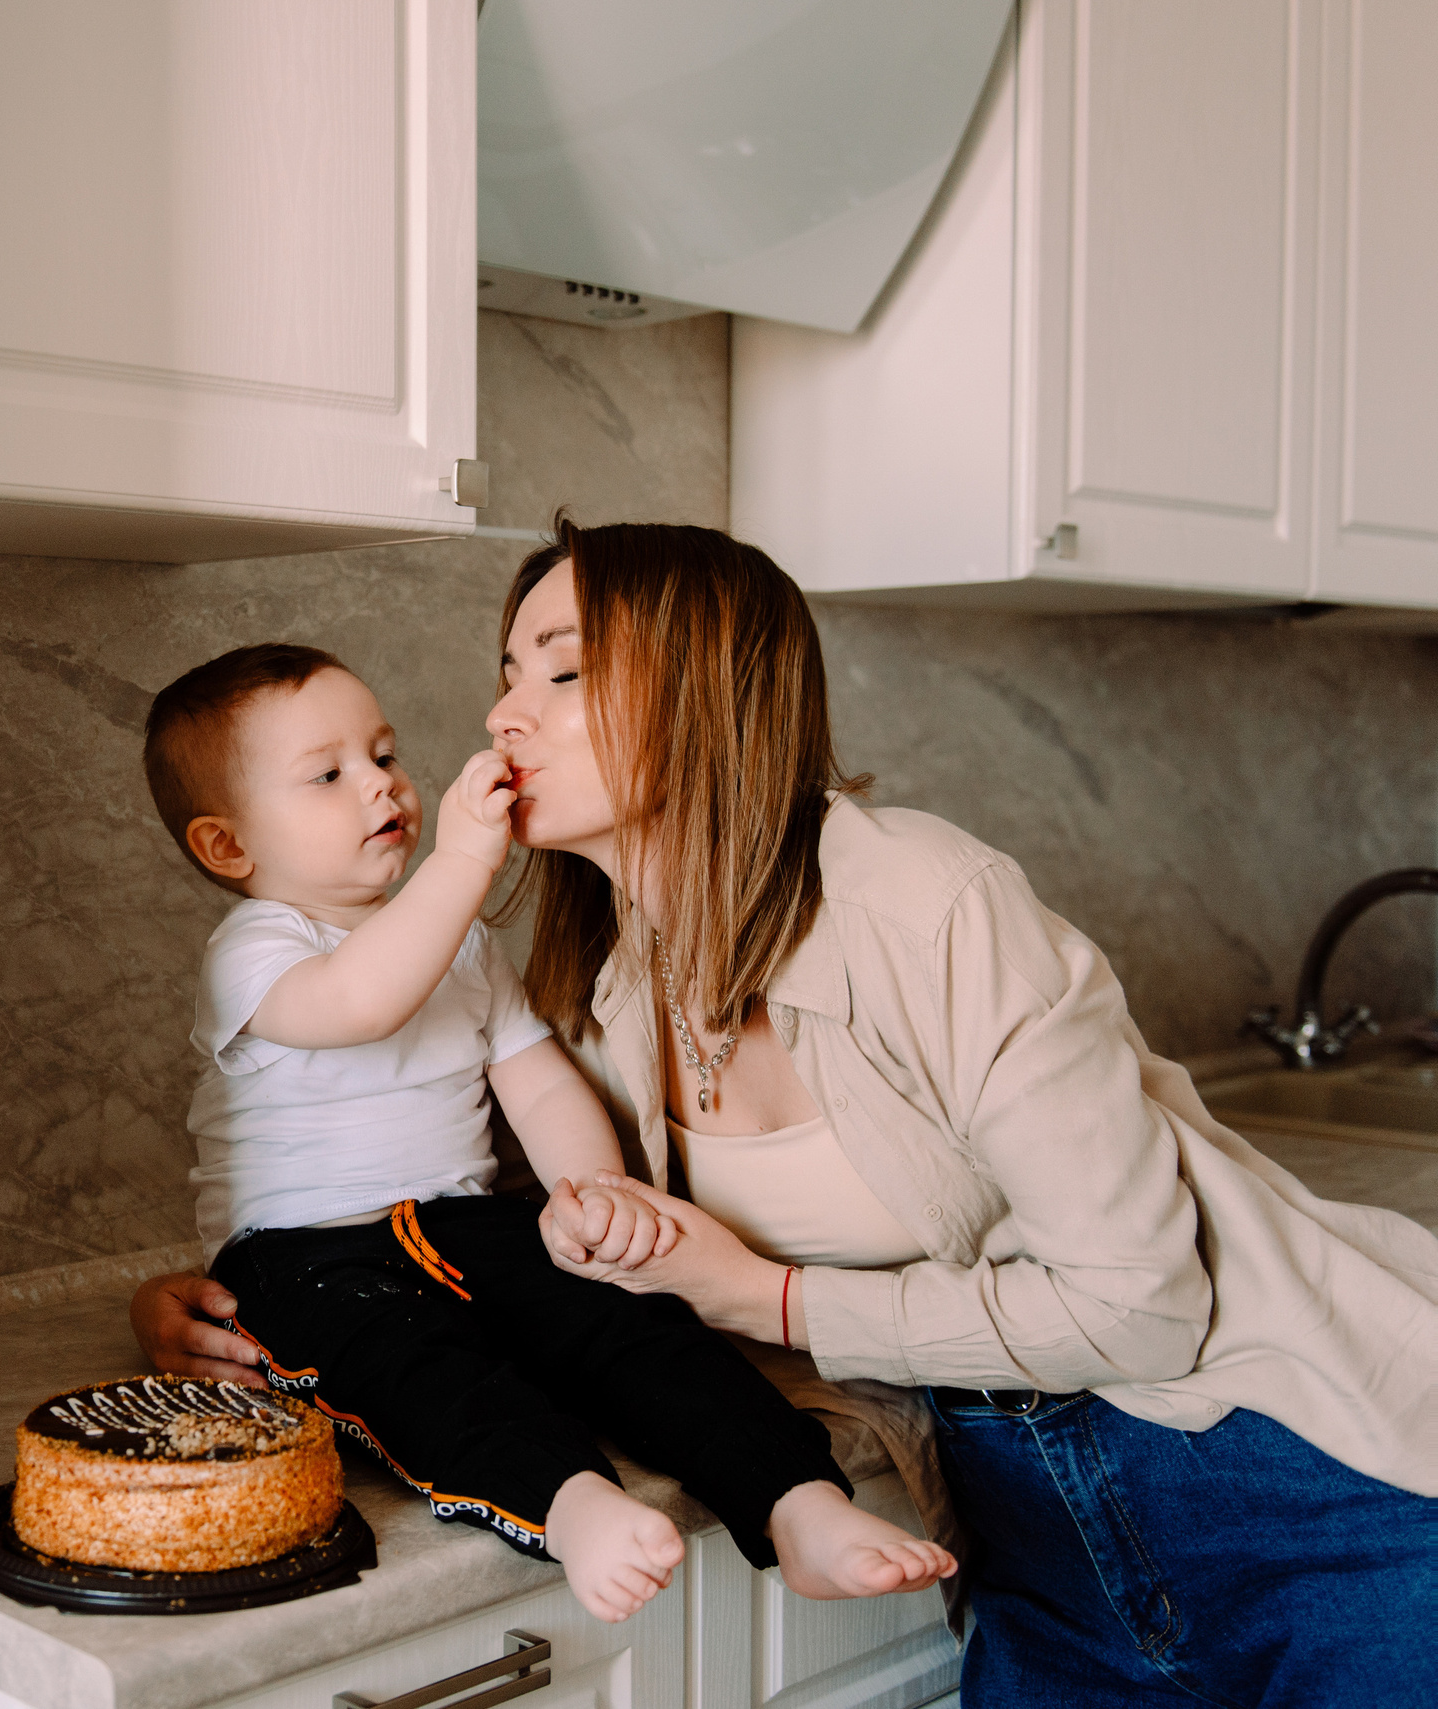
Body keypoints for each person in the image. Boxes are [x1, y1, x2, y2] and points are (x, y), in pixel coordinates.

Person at [139, 522, 1438, 1706]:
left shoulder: (925, 903)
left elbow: (1145, 1308)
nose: (498, 714)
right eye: (507, 670)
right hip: (1020, 1515)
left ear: (704, 694)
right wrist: (230, 1291)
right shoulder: (594, 979)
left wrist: (769, 1300)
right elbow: (495, 1239)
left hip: (1279, 1466)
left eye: (562, 672)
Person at [137, 641, 953, 1623]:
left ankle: (797, 1500)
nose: (379, 785)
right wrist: (464, 858)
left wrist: (594, 1190)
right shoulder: (255, 947)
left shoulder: (463, 941)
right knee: (419, 1373)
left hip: (465, 1219)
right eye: (327, 773)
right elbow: (362, 999)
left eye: (385, 755)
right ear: (229, 848)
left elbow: (536, 1078)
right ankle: (572, 1507)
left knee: (633, 1324)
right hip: (305, 1256)